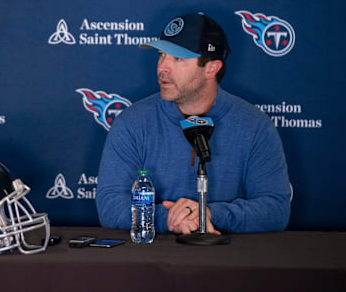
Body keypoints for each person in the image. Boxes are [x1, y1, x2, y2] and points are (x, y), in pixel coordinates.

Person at [96, 13, 291, 235]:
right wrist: (168, 218)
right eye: (161, 55)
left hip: (229, 259)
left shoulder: (255, 126)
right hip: (153, 258)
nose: (162, 68)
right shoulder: (132, 123)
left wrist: (209, 214)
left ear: (211, 68)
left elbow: (276, 210)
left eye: (178, 59)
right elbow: (110, 206)